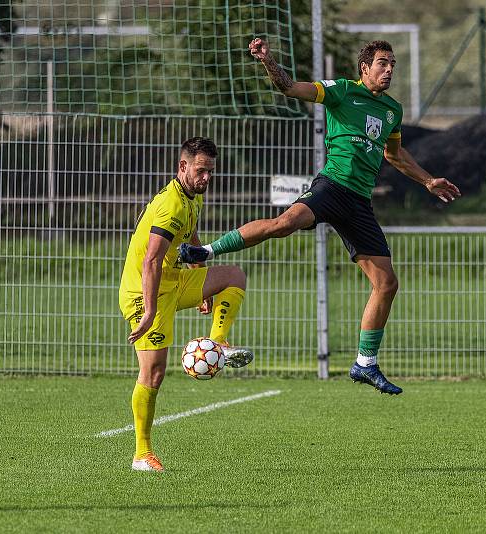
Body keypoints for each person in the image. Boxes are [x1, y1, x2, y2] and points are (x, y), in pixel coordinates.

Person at [179, 38, 461, 395]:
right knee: (285, 224)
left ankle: (365, 363)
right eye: (382, 64)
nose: (389, 70)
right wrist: (268, 61)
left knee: (387, 283)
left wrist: (428, 180)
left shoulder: (392, 110)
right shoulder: (341, 92)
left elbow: (395, 155)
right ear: (365, 68)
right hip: (332, 187)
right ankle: (207, 252)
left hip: (359, 203)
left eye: (392, 65)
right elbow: (287, 87)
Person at [118, 137, 254, 472]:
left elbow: (191, 240)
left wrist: (202, 284)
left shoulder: (192, 197)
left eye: (211, 171)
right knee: (154, 373)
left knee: (234, 276)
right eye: (201, 170)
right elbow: (150, 260)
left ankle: (218, 343)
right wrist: (149, 311)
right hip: (144, 291)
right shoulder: (171, 205)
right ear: (183, 167)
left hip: (174, 279)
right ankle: (142, 454)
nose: (207, 177)